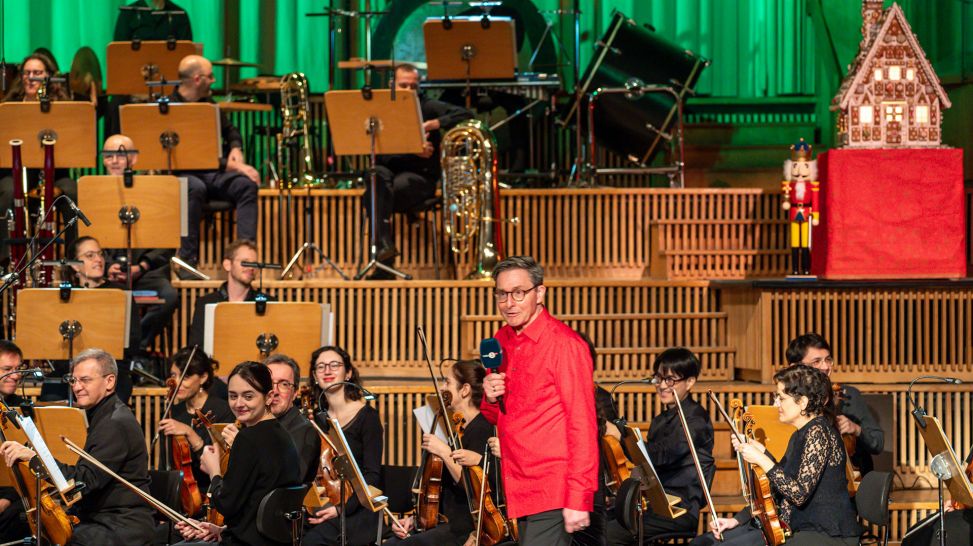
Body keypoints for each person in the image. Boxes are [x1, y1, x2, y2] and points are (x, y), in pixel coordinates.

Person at [480, 255, 598, 545]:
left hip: (553, 487)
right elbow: (497, 417)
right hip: (517, 484)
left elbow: (582, 425)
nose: (509, 303)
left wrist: (579, 497)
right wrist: (490, 395)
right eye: (502, 294)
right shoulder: (501, 340)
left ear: (540, 292)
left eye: (519, 293)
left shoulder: (565, 345)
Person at [691, 364, 861, 546]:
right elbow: (779, 485)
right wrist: (737, 520)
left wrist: (761, 458)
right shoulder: (800, 433)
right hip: (798, 526)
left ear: (802, 402)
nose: (776, 403)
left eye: (781, 397)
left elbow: (798, 494)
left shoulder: (819, 432)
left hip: (825, 532)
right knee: (704, 543)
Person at [0, 348, 156, 545]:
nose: (77, 387)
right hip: (101, 519)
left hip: (120, 525)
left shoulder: (115, 423)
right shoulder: (104, 415)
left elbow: (83, 482)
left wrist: (35, 459)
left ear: (109, 381)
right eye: (74, 381)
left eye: (86, 380)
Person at [362, 63, 473, 279]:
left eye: (414, 86)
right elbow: (380, 157)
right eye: (404, 86)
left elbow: (465, 113)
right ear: (392, 85)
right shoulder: (383, 109)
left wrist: (435, 123)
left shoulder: (426, 106)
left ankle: (384, 259)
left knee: (374, 196)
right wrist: (413, 151)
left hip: (419, 178)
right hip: (387, 175)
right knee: (374, 175)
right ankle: (384, 249)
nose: (409, 91)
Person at [175, 361, 302, 546]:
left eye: (248, 396)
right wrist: (221, 530)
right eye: (233, 396)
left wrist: (214, 472)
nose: (239, 404)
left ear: (268, 397)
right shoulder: (282, 435)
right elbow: (256, 503)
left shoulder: (248, 438)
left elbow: (226, 504)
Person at [606, 348, 714, 544]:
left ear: (690, 382)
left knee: (608, 534)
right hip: (654, 502)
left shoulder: (696, 421)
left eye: (670, 380)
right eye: (659, 378)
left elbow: (660, 456)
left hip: (679, 508)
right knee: (597, 519)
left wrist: (621, 437)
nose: (662, 385)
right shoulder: (660, 420)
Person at [385, 360, 496, 546]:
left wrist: (443, 451)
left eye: (447, 382)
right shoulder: (457, 430)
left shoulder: (482, 428)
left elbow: (471, 487)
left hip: (468, 526)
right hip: (446, 520)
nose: (442, 388)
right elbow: (441, 488)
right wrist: (415, 520)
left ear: (465, 390)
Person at [168, 54, 259, 268]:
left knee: (246, 185)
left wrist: (235, 146)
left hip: (213, 173)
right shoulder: (170, 108)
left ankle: (245, 258)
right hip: (183, 173)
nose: (214, 81)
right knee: (194, 188)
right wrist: (235, 165)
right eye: (210, 76)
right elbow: (191, 153)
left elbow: (230, 130)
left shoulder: (207, 103)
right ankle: (187, 262)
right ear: (198, 79)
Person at [98, 134, 181, 351]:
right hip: (109, 272)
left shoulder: (154, 190)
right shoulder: (93, 192)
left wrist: (141, 266)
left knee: (170, 296)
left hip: (147, 272)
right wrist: (106, 266)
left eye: (121, 155)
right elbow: (87, 240)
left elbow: (168, 242)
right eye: (108, 155)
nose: (114, 160)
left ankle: (135, 349)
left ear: (133, 159)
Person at [0, 52, 79, 259]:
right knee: (7, 191)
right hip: (18, 171)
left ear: (48, 77)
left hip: (55, 170)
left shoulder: (61, 107)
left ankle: (72, 258)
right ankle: (5, 259)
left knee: (71, 191)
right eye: (27, 73)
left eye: (37, 72)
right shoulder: (10, 106)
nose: (31, 77)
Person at [303, 345, 383, 546]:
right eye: (321, 367)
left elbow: (372, 475)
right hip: (325, 503)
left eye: (334, 365)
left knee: (311, 542)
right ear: (314, 376)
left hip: (358, 510)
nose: (327, 371)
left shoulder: (368, 417)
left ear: (348, 373)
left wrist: (340, 509)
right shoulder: (315, 420)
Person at [786, 333, 883, 476]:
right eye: (816, 361)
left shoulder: (849, 395)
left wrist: (855, 429)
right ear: (796, 367)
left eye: (828, 359)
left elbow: (878, 443)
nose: (825, 367)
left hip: (849, 482)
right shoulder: (787, 400)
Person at [157, 346, 234, 501]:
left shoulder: (222, 410)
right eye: (174, 375)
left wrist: (189, 432)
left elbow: (222, 464)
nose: (177, 382)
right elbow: (166, 465)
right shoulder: (174, 410)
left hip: (210, 493)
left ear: (203, 377)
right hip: (180, 496)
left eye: (185, 377)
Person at [188, 239, 276, 348]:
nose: (251, 268)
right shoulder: (205, 303)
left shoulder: (269, 303)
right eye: (245, 262)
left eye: (254, 264)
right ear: (227, 264)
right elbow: (196, 348)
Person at [262, 353, 321, 486]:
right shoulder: (255, 423)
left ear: (295, 393)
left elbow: (286, 482)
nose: (274, 391)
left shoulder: (305, 431)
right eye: (269, 383)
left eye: (284, 384)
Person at [901, 445, 972, 546]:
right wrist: (958, 500)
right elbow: (968, 477)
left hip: (968, 517)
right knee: (914, 534)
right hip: (965, 509)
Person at [0, 341, 28, 542]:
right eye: (7, 369)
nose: (16, 375)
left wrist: (6, 498)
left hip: (14, 493)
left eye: (18, 369)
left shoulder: (20, 408)